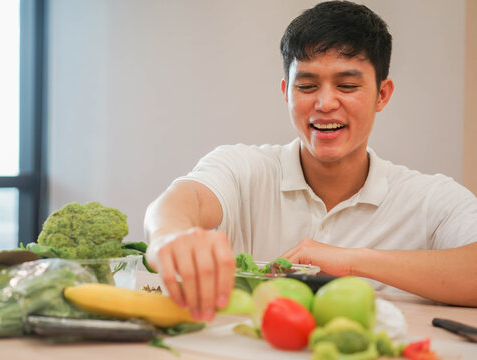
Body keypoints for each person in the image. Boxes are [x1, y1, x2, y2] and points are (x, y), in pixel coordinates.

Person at [144, 0, 477, 321]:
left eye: (346, 85)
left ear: (382, 94)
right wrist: (168, 235)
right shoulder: (244, 169)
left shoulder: (428, 198)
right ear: (286, 92)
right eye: (307, 85)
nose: (326, 102)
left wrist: (351, 262)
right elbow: (183, 200)